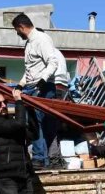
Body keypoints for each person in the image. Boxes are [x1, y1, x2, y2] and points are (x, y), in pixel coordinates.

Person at [11, 13, 69, 170]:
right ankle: (41, 159)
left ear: (22, 27)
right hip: (31, 87)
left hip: (43, 87)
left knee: (43, 123)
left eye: (17, 30)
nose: (17, 33)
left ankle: (46, 159)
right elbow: (30, 69)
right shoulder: (29, 44)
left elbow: (53, 62)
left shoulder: (42, 39)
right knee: (34, 124)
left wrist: (43, 81)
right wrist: (21, 85)